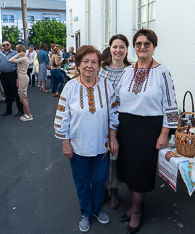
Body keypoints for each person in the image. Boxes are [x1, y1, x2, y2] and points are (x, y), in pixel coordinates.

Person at [115, 29, 179, 234]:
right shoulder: (126, 71)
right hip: (126, 127)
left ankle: (137, 211)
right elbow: (116, 100)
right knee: (127, 169)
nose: (142, 47)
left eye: (147, 44)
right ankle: (135, 205)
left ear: (153, 46)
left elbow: (170, 106)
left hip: (149, 129)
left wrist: (164, 134)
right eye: (138, 44)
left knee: (140, 173)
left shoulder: (162, 72)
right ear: (134, 47)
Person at [54, 45, 119, 233]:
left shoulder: (107, 86)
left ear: (99, 65)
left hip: (102, 145)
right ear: (78, 64)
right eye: (85, 61)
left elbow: (114, 114)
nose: (89, 65)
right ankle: (86, 212)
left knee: (99, 179)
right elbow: (62, 117)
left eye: (94, 62)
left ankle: (97, 209)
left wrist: (113, 138)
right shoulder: (70, 87)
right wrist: (65, 144)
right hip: (77, 145)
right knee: (82, 181)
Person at [99, 34, 131, 209]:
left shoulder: (131, 70)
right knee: (103, 155)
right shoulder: (101, 68)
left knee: (117, 156)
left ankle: (114, 189)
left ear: (126, 49)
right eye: (115, 46)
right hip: (102, 118)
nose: (118, 50)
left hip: (124, 119)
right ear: (110, 48)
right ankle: (103, 188)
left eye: (122, 47)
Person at [0, 40, 24, 117]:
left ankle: (20, 110)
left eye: (7, 44)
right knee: (7, 93)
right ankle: (8, 110)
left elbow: (19, 65)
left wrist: (18, 77)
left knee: (16, 93)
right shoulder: (0, 54)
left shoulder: (15, 53)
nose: (6, 46)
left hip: (13, 75)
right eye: (4, 45)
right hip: (4, 75)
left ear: (10, 45)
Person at [8, 45, 33, 121]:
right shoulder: (24, 59)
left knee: (22, 96)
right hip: (22, 77)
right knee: (23, 96)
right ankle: (27, 113)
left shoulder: (23, 59)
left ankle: (29, 114)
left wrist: (19, 54)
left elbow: (10, 60)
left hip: (23, 77)